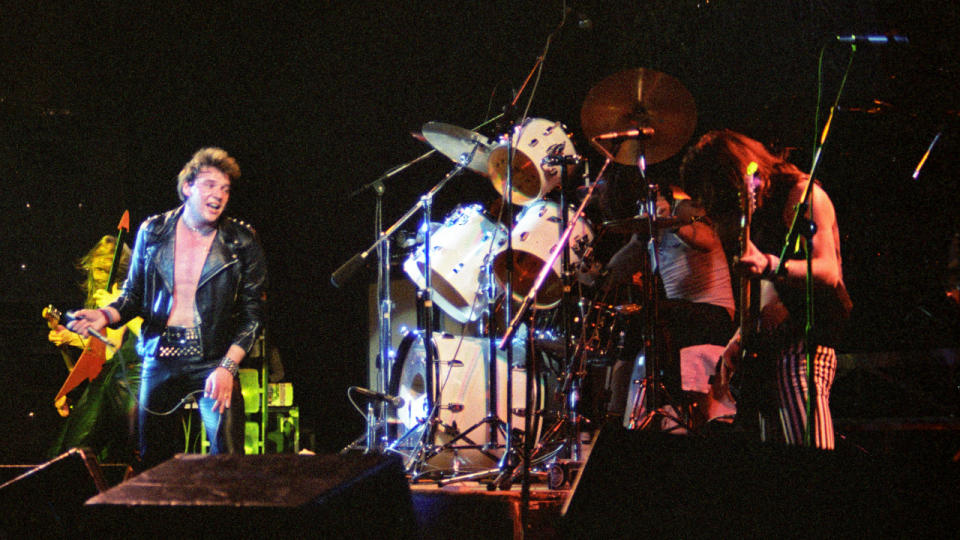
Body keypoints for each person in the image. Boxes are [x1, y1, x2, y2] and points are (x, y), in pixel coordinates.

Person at [68, 147, 267, 469]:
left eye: (225, 189)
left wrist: (228, 367)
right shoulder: (153, 232)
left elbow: (253, 316)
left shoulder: (240, 240)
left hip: (213, 360)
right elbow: (133, 296)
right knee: (153, 462)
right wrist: (104, 315)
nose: (218, 195)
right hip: (161, 358)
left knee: (229, 461)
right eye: (210, 185)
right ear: (188, 187)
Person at [680, 129, 851, 449]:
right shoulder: (758, 212)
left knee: (813, 460)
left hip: (806, 343)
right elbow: (773, 294)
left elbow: (828, 270)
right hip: (775, 346)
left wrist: (769, 263)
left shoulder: (802, 193)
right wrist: (739, 338)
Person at [602, 183, 737, 429]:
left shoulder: (689, 212)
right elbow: (622, 263)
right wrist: (601, 273)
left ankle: (617, 414)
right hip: (682, 313)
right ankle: (622, 411)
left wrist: (670, 220)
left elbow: (706, 240)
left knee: (651, 313)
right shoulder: (653, 233)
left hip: (713, 313)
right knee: (637, 314)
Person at [47, 235, 142, 463]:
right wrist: (71, 339)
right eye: (96, 269)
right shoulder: (112, 295)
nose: (97, 276)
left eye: (103, 269)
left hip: (130, 380)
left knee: (77, 451)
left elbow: (114, 347)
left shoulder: (125, 293)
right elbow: (105, 351)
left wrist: (115, 307)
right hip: (115, 378)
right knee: (69, 451)